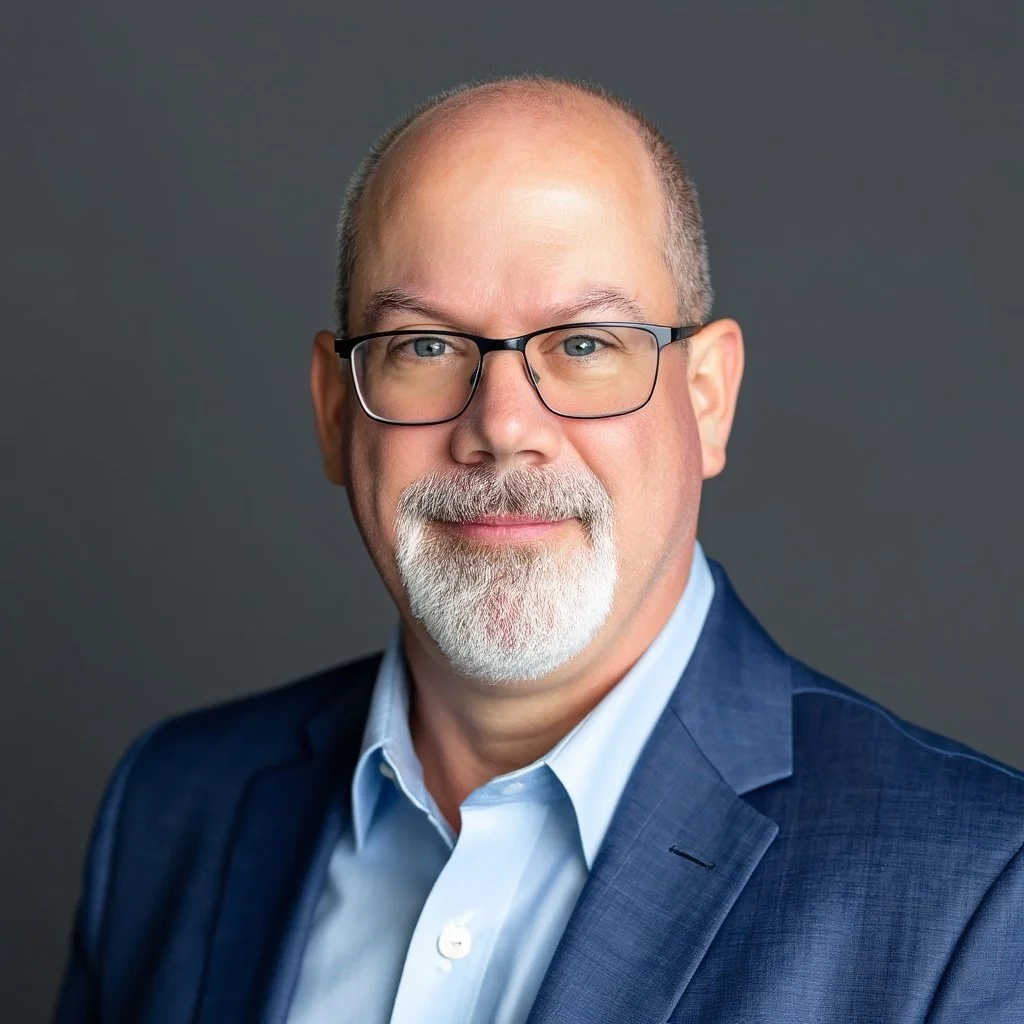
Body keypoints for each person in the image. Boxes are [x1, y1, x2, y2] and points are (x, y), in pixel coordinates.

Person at [55, 76, 1024, 1024]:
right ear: (331, 411)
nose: (503, 425)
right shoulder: (173, 808)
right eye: (426, 347)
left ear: (707, 398)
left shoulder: (971, 896)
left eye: (586, 345)